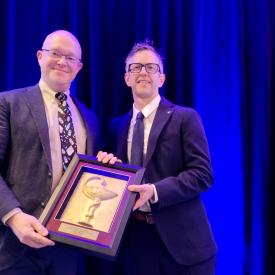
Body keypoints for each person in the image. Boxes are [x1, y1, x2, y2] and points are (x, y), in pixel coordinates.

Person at [0, 30, 117, 275]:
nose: (62, 61)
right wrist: (13, 217)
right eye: (55, 53)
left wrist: (106, 167)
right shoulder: (8, 103)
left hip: (68, 248)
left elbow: (89, 177)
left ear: (79, 67)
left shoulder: (90, 119)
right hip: (15, 244)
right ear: (40, 56)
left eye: (70, 57)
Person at [108, 41, 217, 275]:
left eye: (151, 67)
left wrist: (155, 191)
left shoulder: (186, 118)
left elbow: (202, 175)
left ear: (162, 78)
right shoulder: (116, 126)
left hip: (185, 245)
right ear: (127, 78)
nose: (143, 72)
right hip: (137, 244)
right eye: (136, 67)